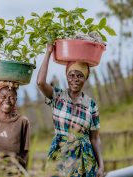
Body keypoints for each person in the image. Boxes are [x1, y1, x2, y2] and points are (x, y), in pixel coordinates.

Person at [37, 44, 104, 177]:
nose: (75, 79)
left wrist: (101, 165)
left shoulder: (91, 105)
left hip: (85, 161)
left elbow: (95, 138)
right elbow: (40, 82)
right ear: (67, 76)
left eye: (79, 76)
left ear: (85, 78)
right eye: (71, 75)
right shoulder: (57, 97)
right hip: (60, 156)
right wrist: (48, 52)